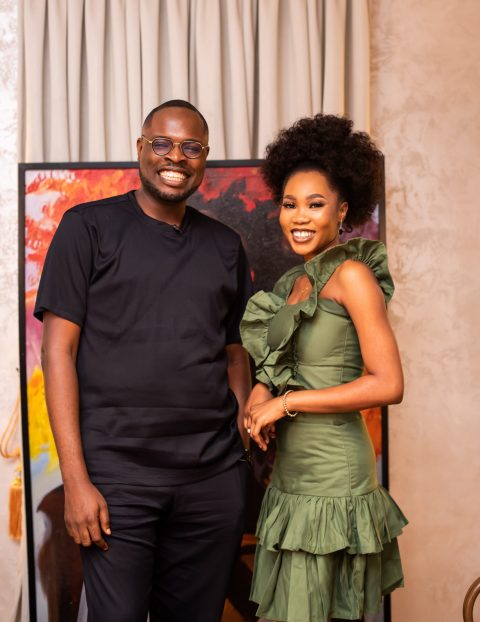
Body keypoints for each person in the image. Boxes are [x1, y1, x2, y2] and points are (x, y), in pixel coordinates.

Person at [34, 99, 253, 622]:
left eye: (191, 147)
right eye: (162, 143)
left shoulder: (225, 245)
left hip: (211, 480)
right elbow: (58, 352)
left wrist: (240, 452)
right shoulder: (87, 228)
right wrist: (76, 480)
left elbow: (235, 354)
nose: (175, 156)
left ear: (205, 157)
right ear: (141, 148)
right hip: (117, 479)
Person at [240, 114, 408, 622]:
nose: (300, 216)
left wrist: (286, 404)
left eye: (315, 204)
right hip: (291, 475)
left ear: (343, 209)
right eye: (289, 204)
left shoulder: (352, 275)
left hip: (335, 476)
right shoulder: (294, 282)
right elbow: (285, 359)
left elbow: (389, 384)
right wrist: (261, 392)